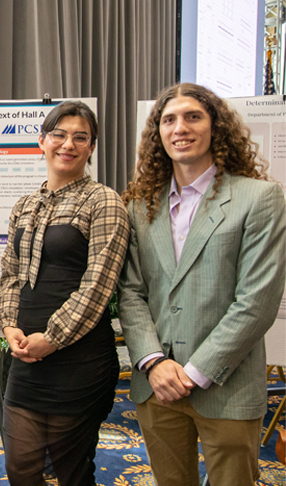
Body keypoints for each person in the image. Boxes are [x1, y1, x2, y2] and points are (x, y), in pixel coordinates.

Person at [118, 83, 286, 486]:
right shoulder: (140, 205)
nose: (181, 128)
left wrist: (194, 373)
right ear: (158, 133)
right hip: (156, 385)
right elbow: (131, 292)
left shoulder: (259, 197)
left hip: (225, 385)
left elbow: (257, 302)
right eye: (169, 119)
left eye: (194, 116)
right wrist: (154, 363)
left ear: (216, 127)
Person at [0, 101, 130, 485]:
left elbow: (98, 284)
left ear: (91, 147)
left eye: (80, 137)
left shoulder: (104, 201)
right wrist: (8, 326)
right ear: (42, 141)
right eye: (59, 134)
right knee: (20, 467)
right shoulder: (25, 205)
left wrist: (52, 339)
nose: (68, 144)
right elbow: (10, 275)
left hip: (80, 363)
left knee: (72, 472)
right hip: (26, 360)